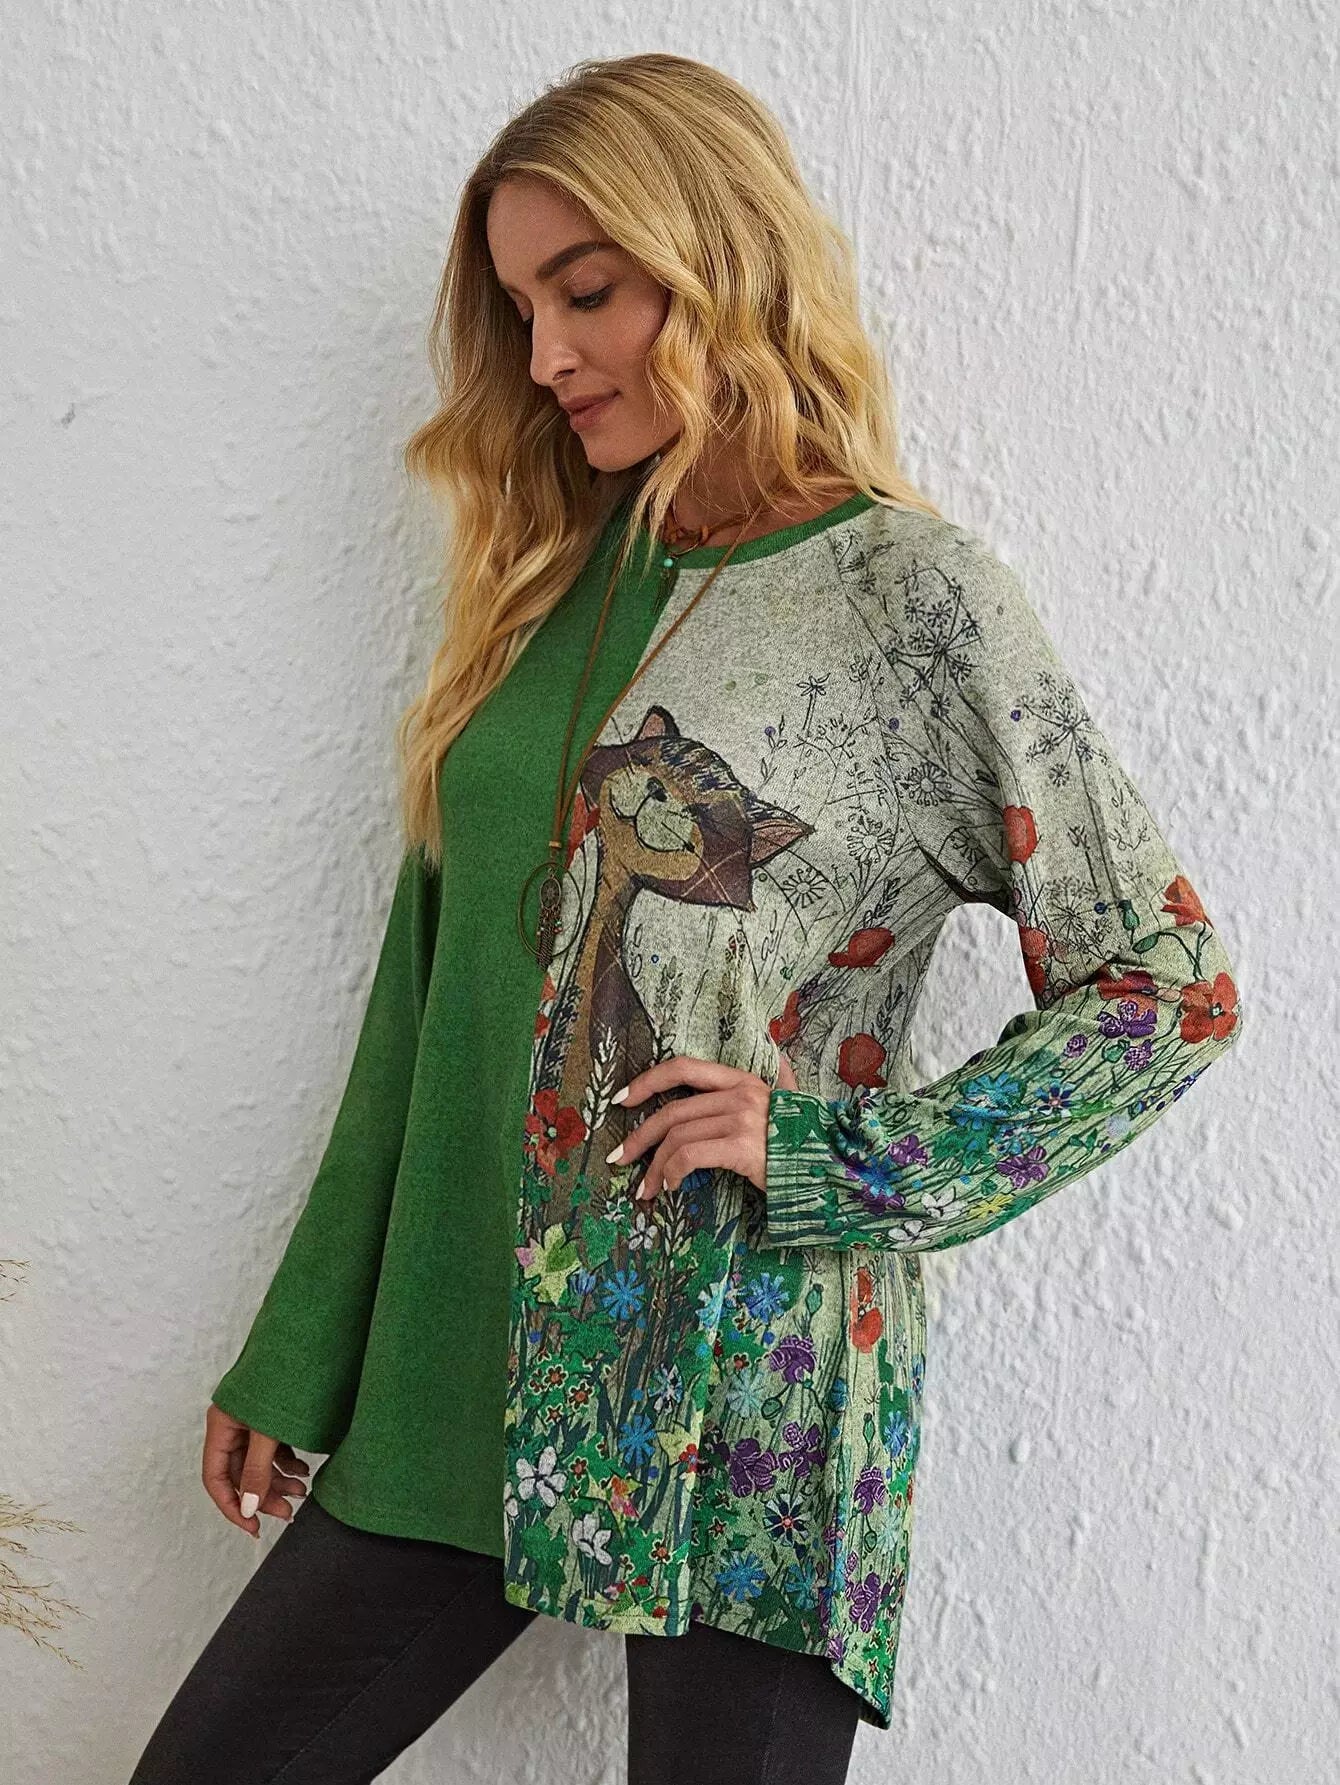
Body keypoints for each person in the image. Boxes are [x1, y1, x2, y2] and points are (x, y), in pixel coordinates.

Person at [127, 51, 1244, 1785]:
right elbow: (428, 998)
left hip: (758, 1393)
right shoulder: (552, 577)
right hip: (460, 1361)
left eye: (587, 292)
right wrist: (307, 1345)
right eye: (522, 310)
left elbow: (1167, 985)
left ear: (720, 262)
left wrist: (837, 1155)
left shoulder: (912, 598)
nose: (545, 357)